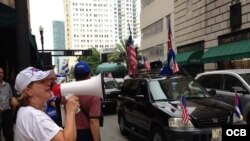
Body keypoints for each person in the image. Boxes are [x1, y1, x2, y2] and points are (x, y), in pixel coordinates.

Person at [14, 66, 80, 141]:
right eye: (41, 81)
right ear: (28, 91)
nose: (49, 83)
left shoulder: (24, 111)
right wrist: (70, 111)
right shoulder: (35, 116)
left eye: (46, 79)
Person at [74, 61, 102, 141]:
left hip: (71, 133)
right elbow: (94, 121)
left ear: (75, 76)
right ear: (89, 74)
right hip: (87, 134)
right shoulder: (94, 94)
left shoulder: (66, 93)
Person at [0, 67, 18, 141]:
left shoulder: (7, 85)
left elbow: (11, 97)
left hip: (7, 112)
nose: (0, 74)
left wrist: (13, 100)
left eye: (1, 72)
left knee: (9, 134)